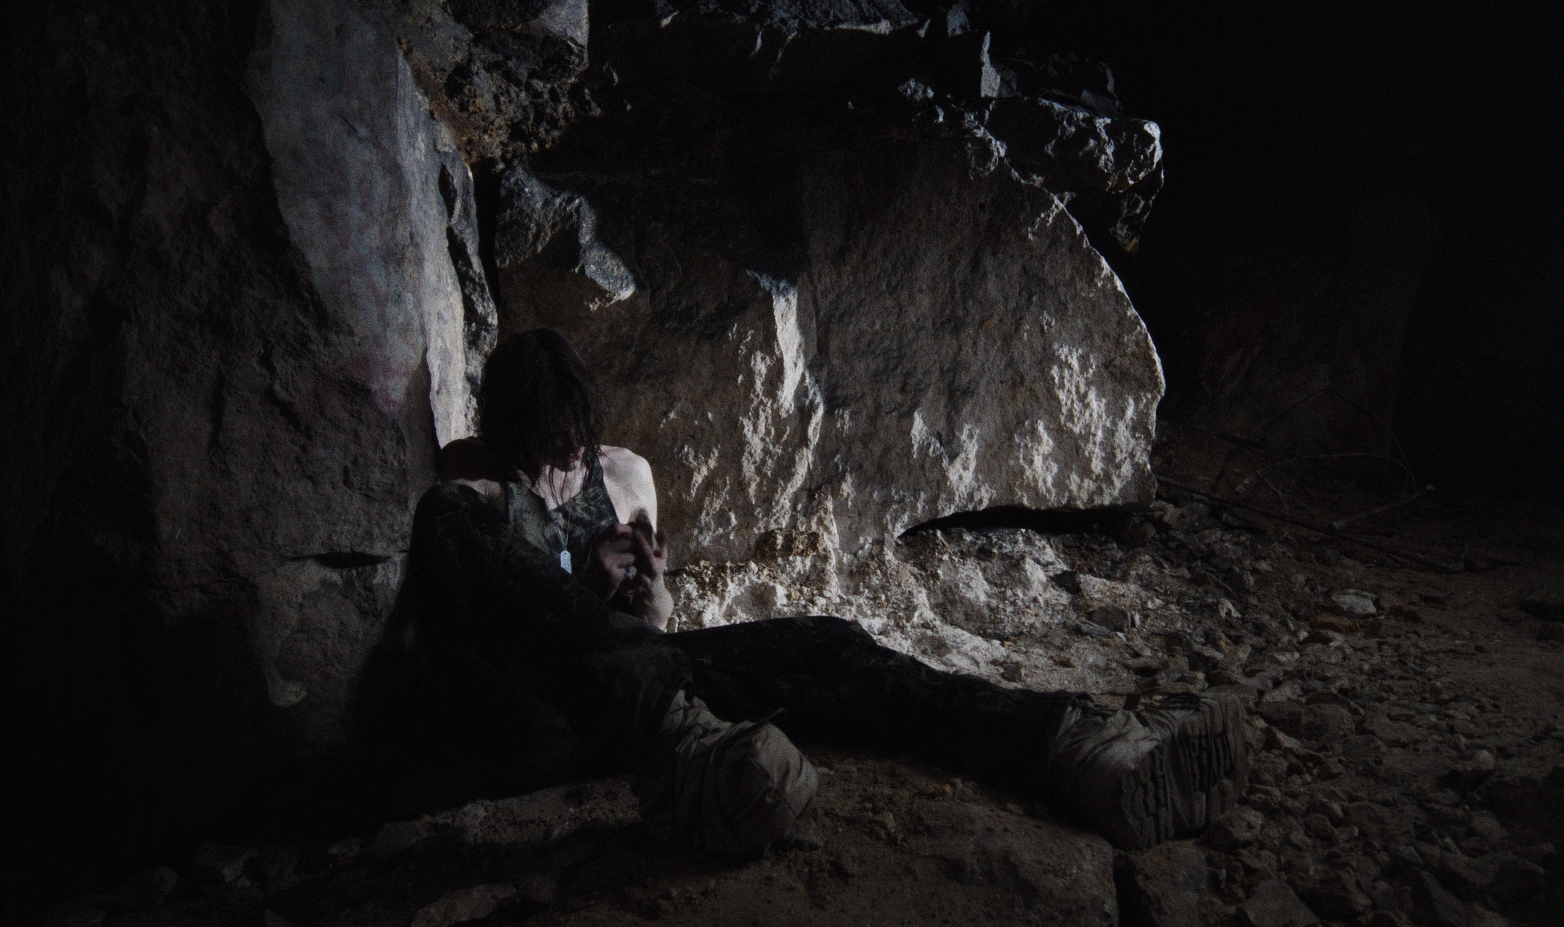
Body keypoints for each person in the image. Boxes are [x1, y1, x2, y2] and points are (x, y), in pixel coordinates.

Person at [366, 327, 1249, 857]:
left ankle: (1073, 748)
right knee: (441, 516)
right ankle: (686, 756)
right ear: (509, 431)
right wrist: (585, 584)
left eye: (574, 440)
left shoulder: (623, 476)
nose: (564, 463)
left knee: (829, 644)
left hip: (646, 706)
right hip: (527, 717)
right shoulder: (473, 497)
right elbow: (453, 652)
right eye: (545, 446)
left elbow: (656, 637)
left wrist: (651, 596)